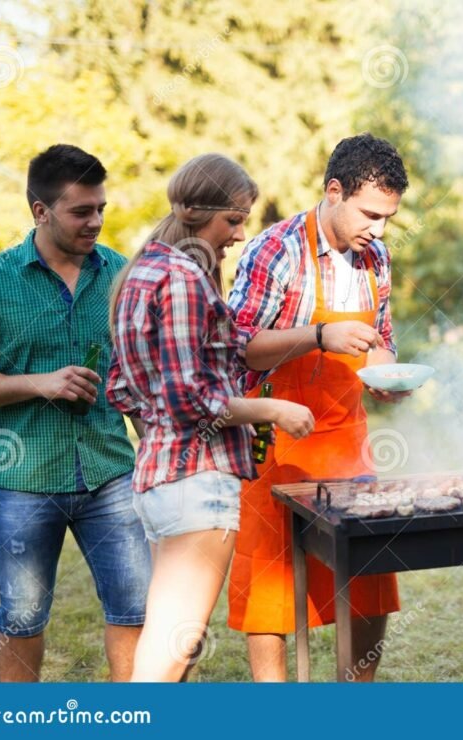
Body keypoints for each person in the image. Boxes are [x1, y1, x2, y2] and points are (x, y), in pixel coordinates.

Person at [107, 154, 314, 682]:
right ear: (194, 211)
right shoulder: (183, 279)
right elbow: (189, 398)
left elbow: (122, 387)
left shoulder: (142, 271)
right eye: (234, 219)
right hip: (196, 484)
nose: (240, 235)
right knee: (170, 651)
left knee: (171, 642)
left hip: (158, 478)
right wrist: (272, 409)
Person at [226, 133, 410, 682]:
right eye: (370, 214)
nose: (379, 230)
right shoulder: (276, 250)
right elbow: (241, 346)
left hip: (347, 439)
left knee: (371, 574)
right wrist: (319, 335)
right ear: (334, 191)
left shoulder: (376, 257)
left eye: (388, 218)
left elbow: (382, 338)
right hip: (276, 438)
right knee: (272, 585)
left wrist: (385, 373)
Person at [0, 144, 150, 681]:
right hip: (23, 478)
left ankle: (137, 717)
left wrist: (159, 453)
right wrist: (39, 383)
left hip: (111, 473)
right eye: (81, 211)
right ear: (40, 211)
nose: (95, 221)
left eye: (101, 209)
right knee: (22, 618)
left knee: (137, 610)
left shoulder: (121, 275)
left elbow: (135, 380)